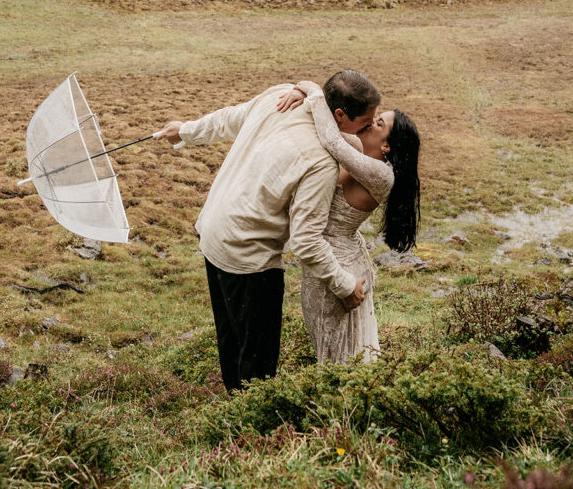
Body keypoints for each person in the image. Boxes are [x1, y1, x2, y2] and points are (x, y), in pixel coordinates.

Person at [156, 70, 381, 392]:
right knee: (258, 364)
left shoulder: (280, 96)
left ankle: (232, 414)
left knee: (231, 339)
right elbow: (306, 241)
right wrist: (345, 285)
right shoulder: (321, 162)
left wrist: (187, 130)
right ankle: (251, 429)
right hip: (249, 254)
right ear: (340, 115)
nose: (370, 129)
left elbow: (229, 118)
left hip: (213, 229)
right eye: (365, 123)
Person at [278, 80, 420, 363]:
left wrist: (314, 91)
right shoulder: (360, 151)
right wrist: (303, 92)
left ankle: (344, 402)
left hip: (336, 265)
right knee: (330, 342)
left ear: (387, 146)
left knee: (338, 350)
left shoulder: (381, 175)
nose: (370, 123)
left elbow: (331, 139)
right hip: (330, 254)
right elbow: (328, 128)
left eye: (379, 124)